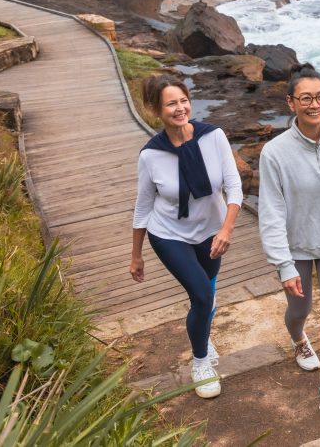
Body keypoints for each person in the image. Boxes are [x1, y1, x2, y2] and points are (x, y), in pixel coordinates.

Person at [130, 75, 242, 399]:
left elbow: (234, 187)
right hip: (168, 234)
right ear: (155, 110)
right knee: (203, 297)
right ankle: (201, 362)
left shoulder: (214, 137)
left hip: (212, 232)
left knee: (206, 292)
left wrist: (226, 229)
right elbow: (143, 206)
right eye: (171, 103)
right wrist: (136, 255)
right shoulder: (150, 155)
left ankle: (202, 333)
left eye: (183, 101)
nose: (180, 109)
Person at [258, 63, 320, 428]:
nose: (315, 104)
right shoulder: (274, 153)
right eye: (306, 98)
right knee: (300, 310)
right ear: (291, 103)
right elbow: (270, 211)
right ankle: (298, 337)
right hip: (295, 246)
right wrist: (282, 264)